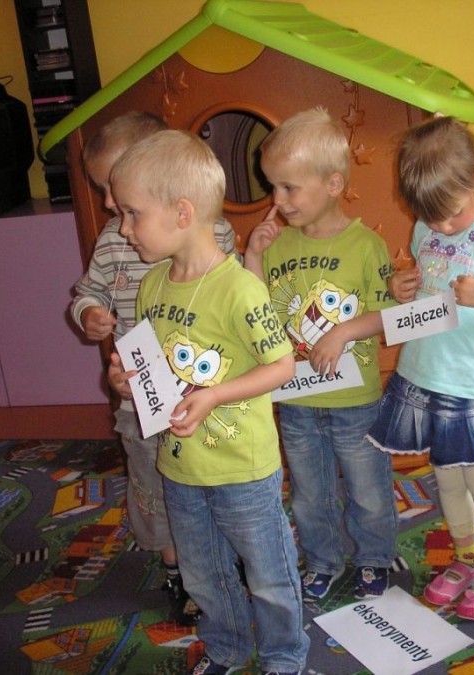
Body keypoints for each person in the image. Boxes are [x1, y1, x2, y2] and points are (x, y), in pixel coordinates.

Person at [106, 129, 308, 675]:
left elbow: (282, 365)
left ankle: (285, 657)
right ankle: (226, 648)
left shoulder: (239, 288)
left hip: (242, 468)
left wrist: (214, 393)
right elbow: (154, 368)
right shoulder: (152, 285)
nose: (123, 229)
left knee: (267, 573)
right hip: (180, 466)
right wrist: (127, 380)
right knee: (203, 573)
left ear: (182, 212)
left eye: (131, 213)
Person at [366, 115, 474, 621]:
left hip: (472, 385)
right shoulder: (427, 225)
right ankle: (466, 560)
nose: (442, 227)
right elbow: (429, 281)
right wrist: (402, 285)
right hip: (425, 375)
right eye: (432, 218)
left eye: (451, 215)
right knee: (446, 480)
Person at [69, 110, 238, 626]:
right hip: (139, 400)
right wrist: (90, 315)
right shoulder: (112, 241)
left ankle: (228, 557)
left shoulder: (213, 234)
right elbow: (87, 293)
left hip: (202, 392)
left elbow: (234, 308)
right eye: (104, 191)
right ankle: (177, 571)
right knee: (154, 485)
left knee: (216, 480)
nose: (108, 203)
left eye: (115, 188)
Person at [244, 107, 398, 602]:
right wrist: (252, 257)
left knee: (368, 490)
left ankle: (374, 557)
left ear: (333, 184)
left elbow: (387, 314)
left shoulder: (366, 245)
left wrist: (344, 331)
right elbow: (255, 313)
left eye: (289, 188)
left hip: (354, 402)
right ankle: (324, 560)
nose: (277, 200)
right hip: (297, 400)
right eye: (273, 187)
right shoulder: (275, 246)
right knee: (310, 494)